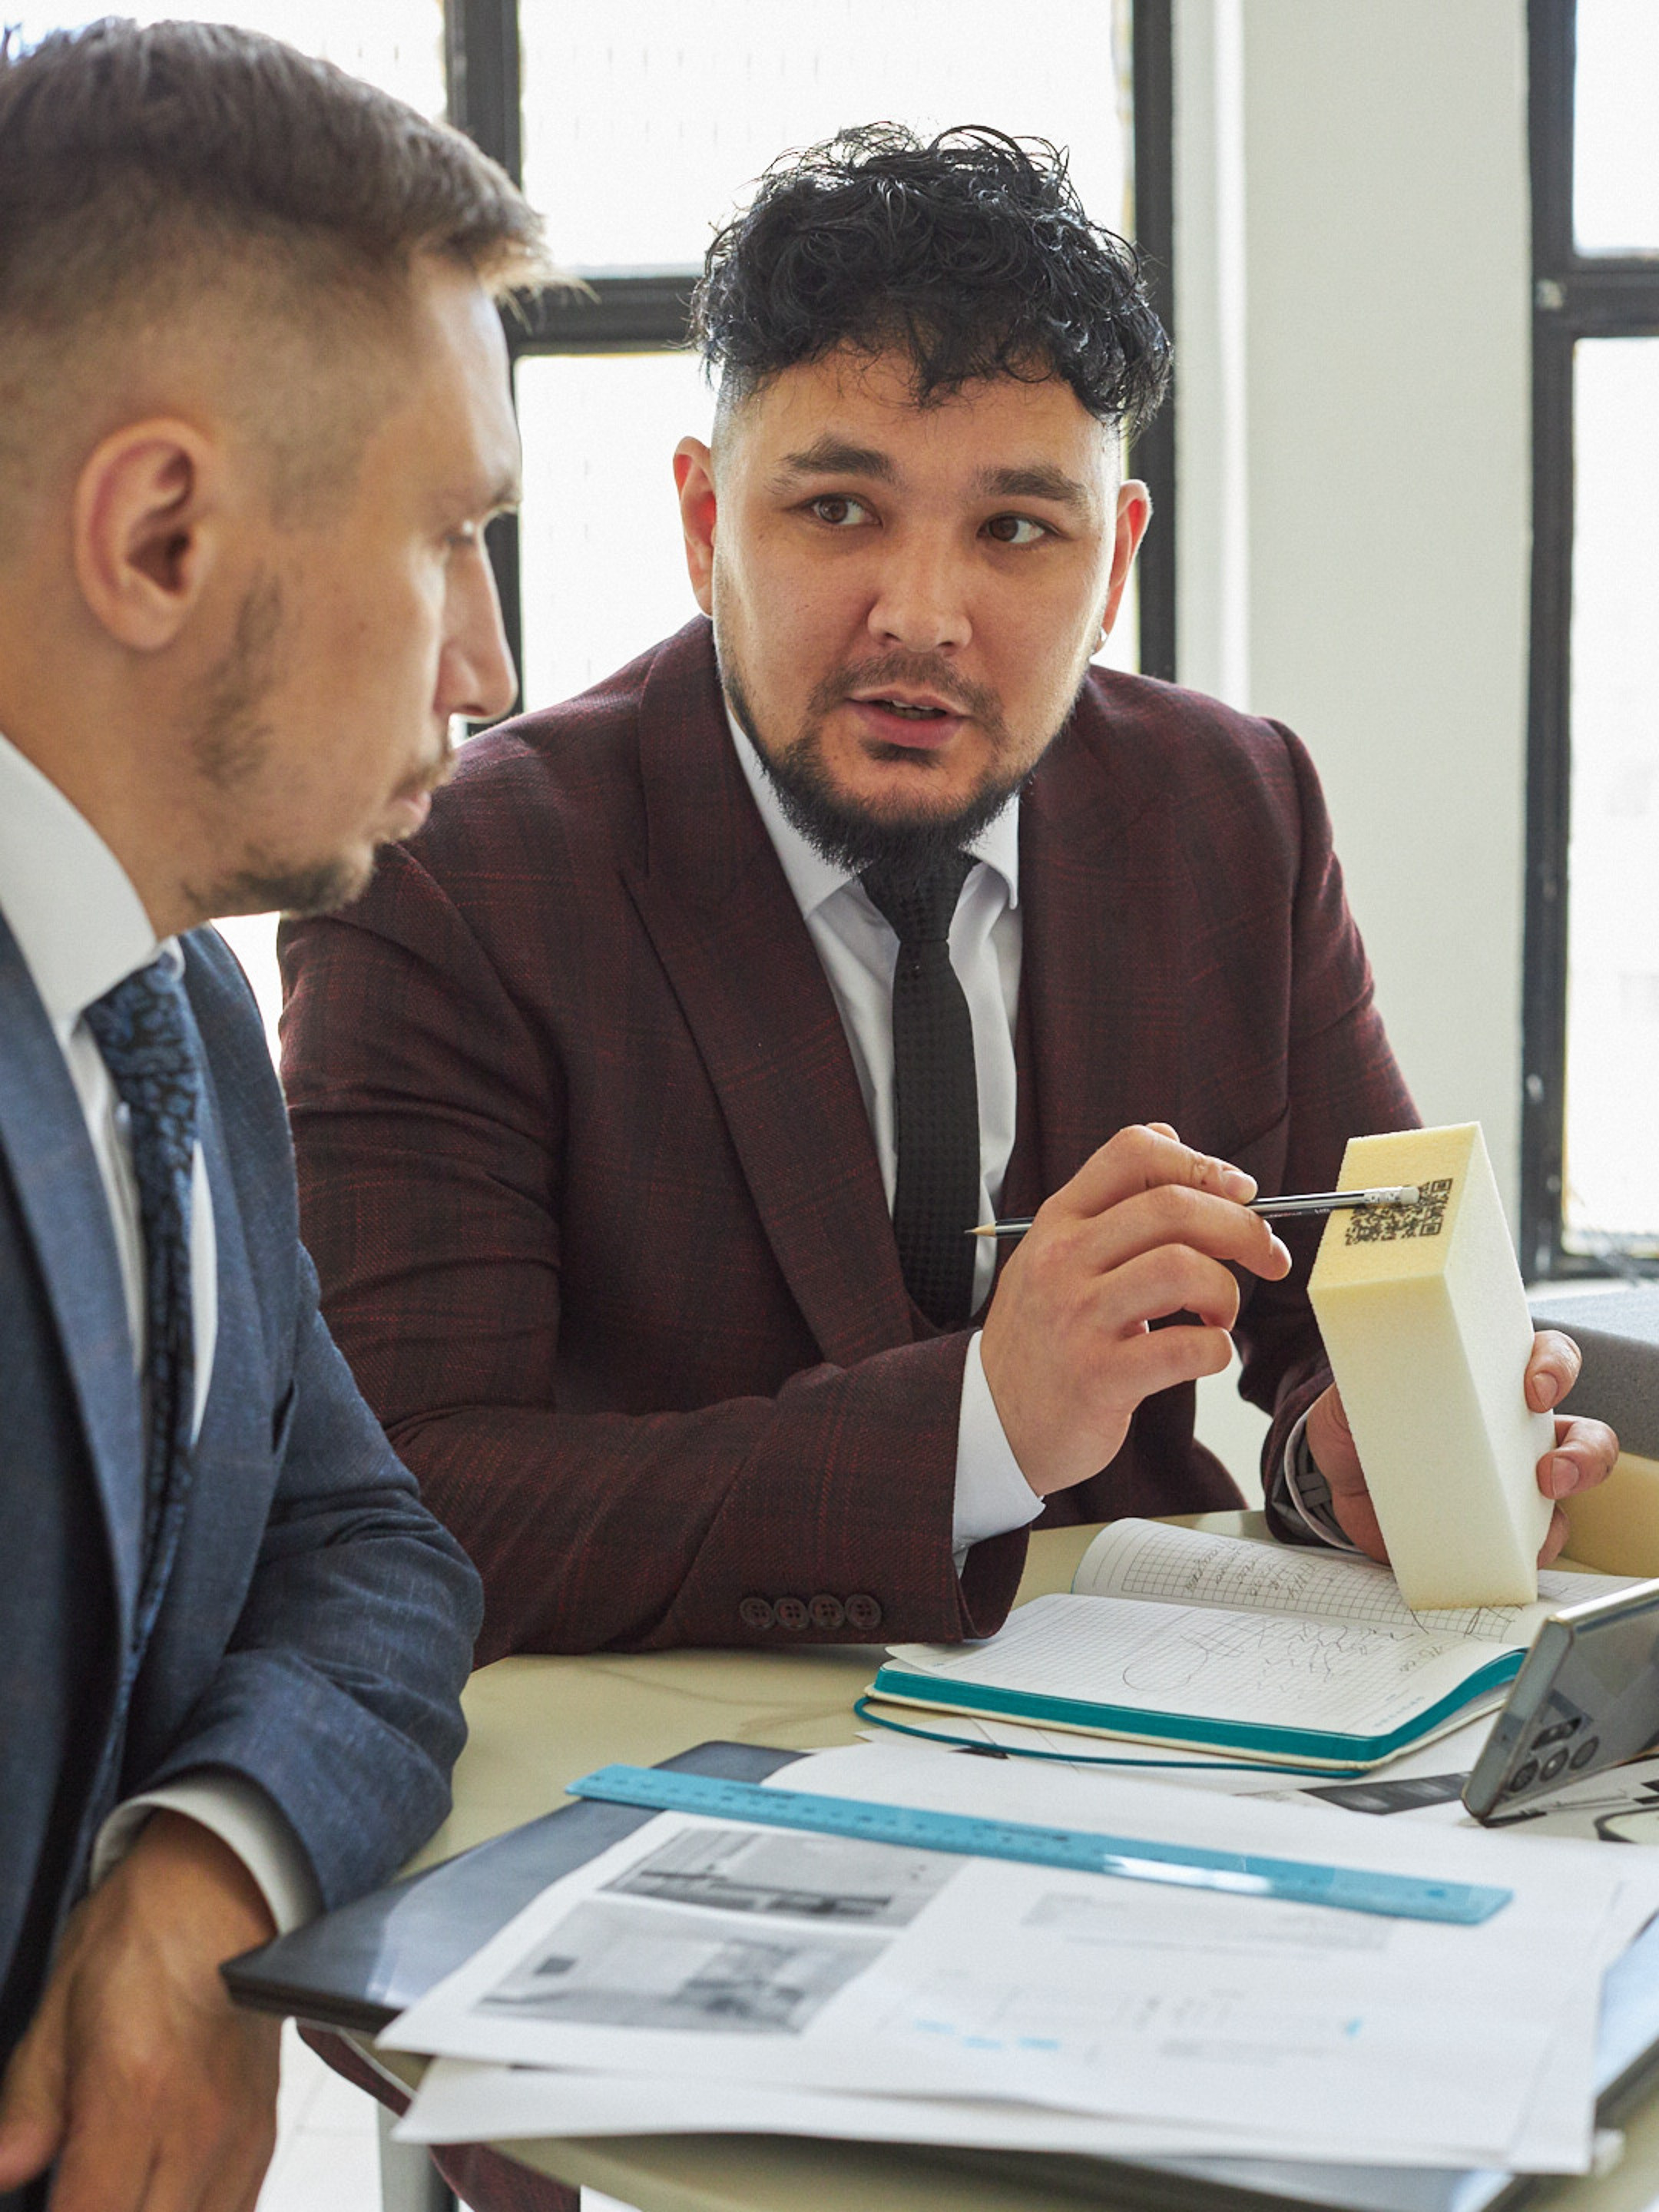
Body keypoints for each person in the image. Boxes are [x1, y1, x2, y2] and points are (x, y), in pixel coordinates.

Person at [280, 125, 1614, 1671]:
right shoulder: (450, 879)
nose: (921, 616)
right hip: (656, 1754)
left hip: (1143, 1737)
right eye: (839, 510)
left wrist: (1353, 1456)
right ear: (709, 522)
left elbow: (1334, 1303)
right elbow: (407, 1501)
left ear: (1112, 563)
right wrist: (985, 1421)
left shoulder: (1233, 808)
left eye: (1014, 531)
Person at [0, 22, 549, 2210]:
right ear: (160, 533)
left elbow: (369, 1551)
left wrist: (202, 1876)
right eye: (449, 538)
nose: (487, 666)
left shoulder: (192, 1020)